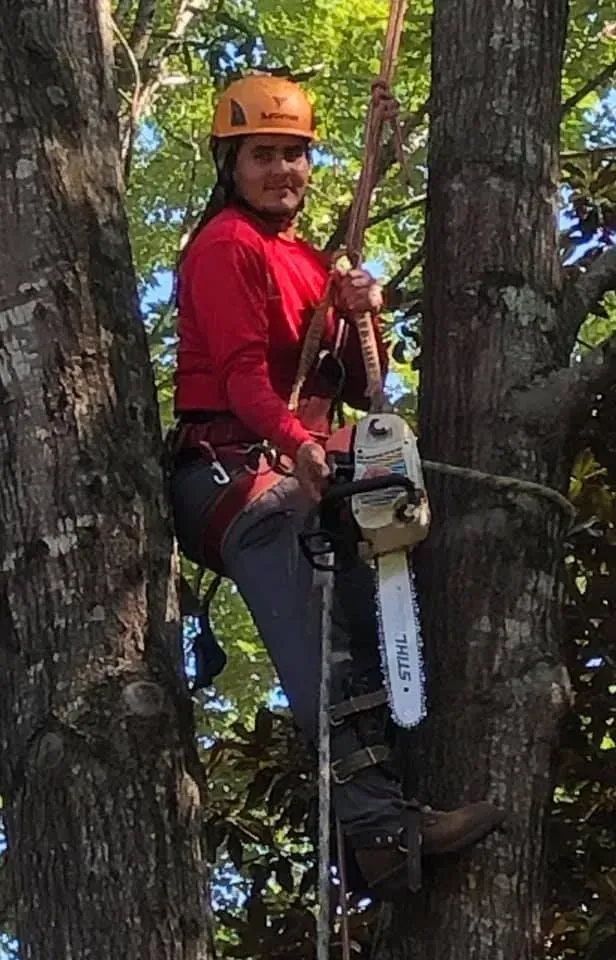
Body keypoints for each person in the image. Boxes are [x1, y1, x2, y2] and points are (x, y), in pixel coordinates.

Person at [168, 74, 504, 899]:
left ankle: (367, 829)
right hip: (237, 475)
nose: (281, 170)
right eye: (263, 155)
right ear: (230, 164)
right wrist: (295, 446)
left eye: (294, 154)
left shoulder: (308, 261)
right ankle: (381, 834)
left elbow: (355, 380)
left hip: (291, 470)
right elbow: (245, 380)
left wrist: (362, 311)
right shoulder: (227, 246)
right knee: (327, 650)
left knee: (371, 620)